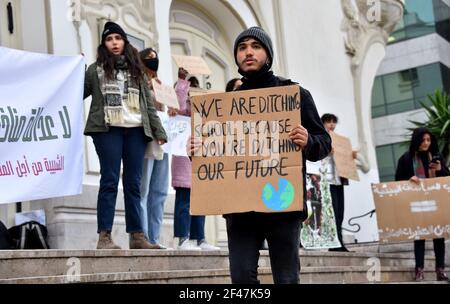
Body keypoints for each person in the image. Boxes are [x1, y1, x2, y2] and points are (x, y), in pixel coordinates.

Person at [189, 27, 331, 283]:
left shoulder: (295, 95)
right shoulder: (225, 105)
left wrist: (308, 140)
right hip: (240, 208)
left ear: (268, 53)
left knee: (286, 278)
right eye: (242, 48)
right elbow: (220, 156)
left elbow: (324, 143)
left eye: (255, 46)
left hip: (282, 204)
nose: (248, 52)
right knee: (241, 277)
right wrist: (198, 151)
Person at [83, 22, 167, 250]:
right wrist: (75, 71)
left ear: (124, 42)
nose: (114, 43)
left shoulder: (136, 70)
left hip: (136, 131)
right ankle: (105, 237)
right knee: (109, 180)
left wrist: (159, 131)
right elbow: (78, 93)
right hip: (107, 130)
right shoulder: (95, 70)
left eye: (118, 38)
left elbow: (148, 105)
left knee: (134, 184)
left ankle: (137, 236)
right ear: (104, 44)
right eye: (110, 39)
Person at [170, 67, 220, 251]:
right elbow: (178, 103)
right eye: (190, 90)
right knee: (184, 202)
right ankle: (183, 239)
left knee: (201, 202)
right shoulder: (181, 111)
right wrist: (182, 82)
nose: (193, 94)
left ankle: (200, 238)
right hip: (183, 162)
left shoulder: (203, 114)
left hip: (201, 161)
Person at [395, 127, 450, 282]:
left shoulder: (437, 157)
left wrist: (440, 169)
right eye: (423, 140)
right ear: (417, 140)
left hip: (435, 201)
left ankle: (440, 270)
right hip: (416, 203)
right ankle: (419, 270)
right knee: (419, 236)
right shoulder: (406, 159)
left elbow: (446, 180)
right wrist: (410, 179)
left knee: (438, 235)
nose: (426, 143)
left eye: (429, 140)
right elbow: (398, 181)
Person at [137, 48, 170, 249]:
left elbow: (168, 110)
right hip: (147, 139)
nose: (154, 61)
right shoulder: (138, 82)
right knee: (144, 190)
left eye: (156, 57)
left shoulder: (161, 86)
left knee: (159, 191)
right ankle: (143, 237)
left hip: (164, 140)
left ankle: (155, 238)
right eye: (149, 58)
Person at [321, 114, 351, 252]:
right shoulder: (321, 138)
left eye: (334, 122)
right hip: (326, 181)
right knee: (332, 213)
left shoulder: (340, 140)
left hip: (339, 180)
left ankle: (340, 242)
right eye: (328, 122)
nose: (331, 125)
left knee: (340, 213)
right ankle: (334, 243)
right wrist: (328, 152)